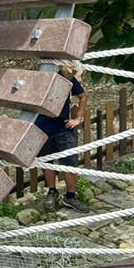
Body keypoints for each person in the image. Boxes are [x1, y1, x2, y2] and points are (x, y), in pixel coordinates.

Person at [39, 66, 90, 213]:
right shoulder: (37, 77)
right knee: (46, 163)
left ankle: (70, 197)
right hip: (42, 129)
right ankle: (52, 192)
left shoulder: (67, 77)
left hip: (63, 129)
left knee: (70, 164)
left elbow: (83, 96)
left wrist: (78, 118)